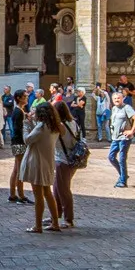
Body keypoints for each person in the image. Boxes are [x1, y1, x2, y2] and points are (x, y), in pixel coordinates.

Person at [19, 104, 63, 232]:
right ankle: (55, 223)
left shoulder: (42, 127)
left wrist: (26, 125)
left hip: (37, 163)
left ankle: (38, 226)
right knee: (48, 193)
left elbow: (27, 140)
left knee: (38, 196)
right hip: (47, 162)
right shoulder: (53, 127)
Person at [51, 98, 86, 228]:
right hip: (72, 158)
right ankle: (56, 214)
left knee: (64, 190)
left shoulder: (60, 126)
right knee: (56, 188)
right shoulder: (73, 123)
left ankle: (68, 219)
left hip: (63, 160)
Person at [108, 91, 135, 187]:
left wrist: (131, 131)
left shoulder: (127, 108)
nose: (117, 100)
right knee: (111, 157)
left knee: (122, 158)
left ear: (122, 99)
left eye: (119, 98)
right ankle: (123, 175)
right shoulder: (114, 108)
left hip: (124, 138)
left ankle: (123, 181)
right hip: (115, 138)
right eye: (115, 98)